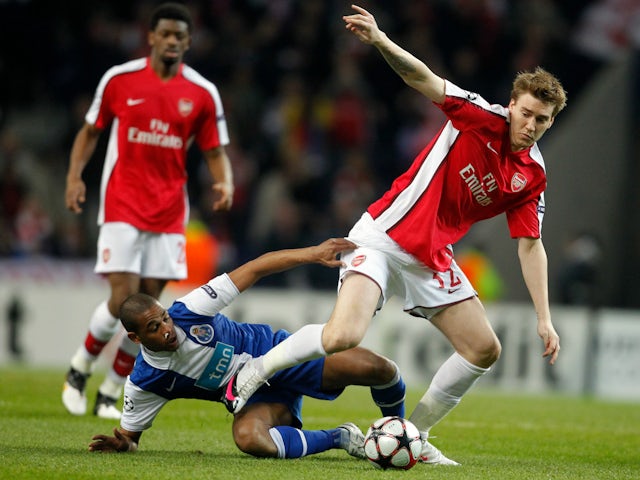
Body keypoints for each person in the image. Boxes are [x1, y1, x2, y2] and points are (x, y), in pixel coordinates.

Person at [222, 4, 566, 466]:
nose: (530, 125)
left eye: (541, 120)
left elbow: (529, 243)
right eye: (525, 113)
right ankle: (256, 370)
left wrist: (544, 317)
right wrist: (381, 40)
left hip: (431, 255)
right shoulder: (481, 118)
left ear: (550, 121)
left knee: (484, 348)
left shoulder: (534, 175)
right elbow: (424, 79)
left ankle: (412, 436)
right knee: (344, 335)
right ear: (512, 105)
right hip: (383, 236)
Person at [62, 2, 234, 420]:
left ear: (188, 42)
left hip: (170, 211)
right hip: (122, 202)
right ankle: (80, 368)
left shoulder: (201, 93)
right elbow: (90, 132)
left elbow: (214, 149)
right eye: (166, 34)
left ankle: (112, 386)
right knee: (124, 297)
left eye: (181, 36)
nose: (173, 41)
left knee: (151, 309)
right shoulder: (120, 80)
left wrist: (225, 180)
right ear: (152, 37)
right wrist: (74, 177)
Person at [87, 238, 406, 460]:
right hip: (257, 398)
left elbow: (255, 268)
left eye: (164, 318)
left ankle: (404, 434)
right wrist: (124, 446)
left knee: (379, 369)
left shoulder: (191, 309)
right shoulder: (145, 381)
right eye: (154, 328)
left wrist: (312, 253)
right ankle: (340, 437)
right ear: (136, 338)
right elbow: (130, 439)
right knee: (250, 439)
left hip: (280, 355)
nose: (167, 329)